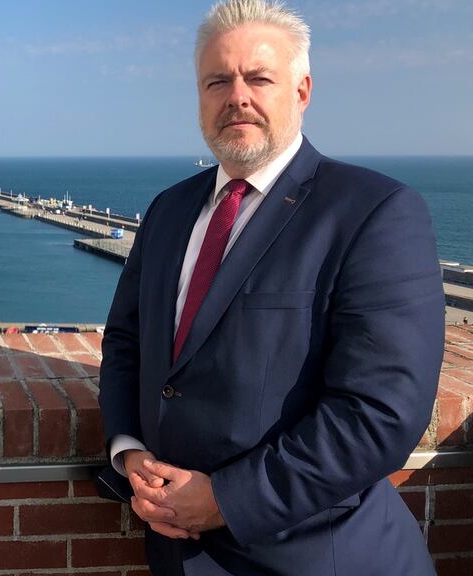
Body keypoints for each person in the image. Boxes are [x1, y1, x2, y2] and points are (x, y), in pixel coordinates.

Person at [98, 1, 444, 574]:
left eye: (259, 77)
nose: (237, 95)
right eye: (217, 81)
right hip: (174, 551)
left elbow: (381, 411)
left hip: (315, 554)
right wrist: (129, 449)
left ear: (302, 90)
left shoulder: (374, 211)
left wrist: (225, 500)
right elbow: (128, 340)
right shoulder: (168, 210)